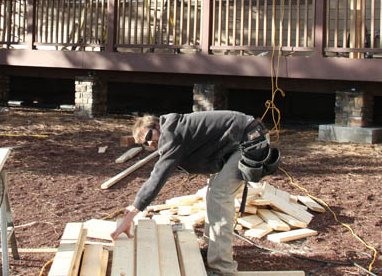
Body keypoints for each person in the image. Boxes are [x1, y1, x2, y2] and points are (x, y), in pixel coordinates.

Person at [110, 111, 273, 276]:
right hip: (236, 142)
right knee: (213, 192)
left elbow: (157, 177)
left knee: (219, 196)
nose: (151, 144)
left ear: (157, 125)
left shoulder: (172, 134)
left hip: (250, 139)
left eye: (150, 137)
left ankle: (223, 269)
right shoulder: (172, 130)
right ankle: (213, 250)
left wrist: (131, 214)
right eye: (146, 144)